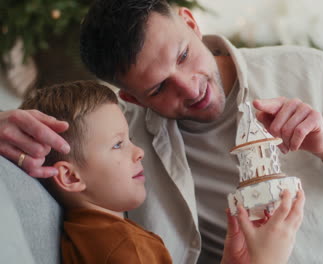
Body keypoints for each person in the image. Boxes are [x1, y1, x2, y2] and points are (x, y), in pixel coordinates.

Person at [0, 0, 323, 263]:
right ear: (131, 99)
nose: (190, 87)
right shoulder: (120, 143)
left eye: (184, 55)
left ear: (190, 21)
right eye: (158, 87)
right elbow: (60, 164)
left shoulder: (307, 71)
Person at [16, 80, 305, 264]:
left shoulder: (88, 234)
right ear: (71, 177)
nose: (138, 151)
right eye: (118, 144)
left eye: (129, 138)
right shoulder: (126, 249)